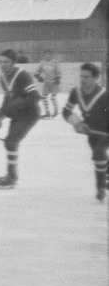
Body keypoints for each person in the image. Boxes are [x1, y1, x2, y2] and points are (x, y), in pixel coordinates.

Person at [0, 48, 41, 189]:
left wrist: (19, 102)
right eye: (0, 61)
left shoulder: (22, 75)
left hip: (30, 114)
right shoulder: (3, 78)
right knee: (10, 143)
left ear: (13, 63)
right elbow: (7, 101)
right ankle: (11, 175)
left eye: (6, 62)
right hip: (17, 114)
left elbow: (35, 97)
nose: (2, 64)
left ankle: (12, 177)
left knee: (11, 141)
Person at [62, 62, 108, 202]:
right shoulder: (76, 92)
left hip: (105, 131)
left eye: (86, 77)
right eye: (81, 76)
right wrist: (77, 123)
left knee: (98, 154)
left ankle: (100, 188)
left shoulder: (104, 95)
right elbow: (66, 111)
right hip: (91, 132)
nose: (82, 79)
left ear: (96, 78)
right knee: (99, 158)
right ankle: (104, 177)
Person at [35, 50, 62, 118]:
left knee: (53, 98)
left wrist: (58, 78)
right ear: (44, 56)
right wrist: (38, 76)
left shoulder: (54, 62)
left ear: (51, 56)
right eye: (45, 54)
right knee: (44, 97)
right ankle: (47, 112)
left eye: (48, 54)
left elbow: (59, 72)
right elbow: (37, 71)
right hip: (46, 82)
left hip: (54, 82)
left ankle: (56, 111)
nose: (47, 56)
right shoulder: (42, 63)